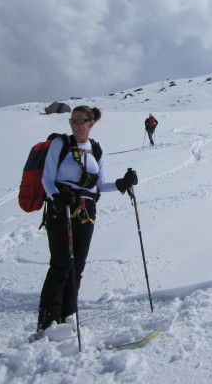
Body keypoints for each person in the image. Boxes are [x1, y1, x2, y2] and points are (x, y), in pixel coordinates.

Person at [36, 105, 139, 338]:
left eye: (81, 121)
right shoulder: (59, 144)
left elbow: (99, 185)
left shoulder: (96, 149)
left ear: (91, 123)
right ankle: (46, 323)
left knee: (77, 266)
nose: (75, 125)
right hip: (60, 208)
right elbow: (47, 179)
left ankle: (67, 317)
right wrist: (57, 197)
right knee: (61, 264)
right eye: (73, 120)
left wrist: (121, 183)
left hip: (86, 210)